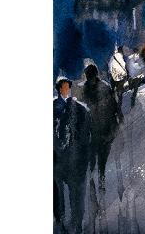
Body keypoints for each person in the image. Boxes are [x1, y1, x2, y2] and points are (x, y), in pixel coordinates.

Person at [53, 75, 91, 233]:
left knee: (75, 193)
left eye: (68, 87)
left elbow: (86, 133)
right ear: (58, 89)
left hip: (73, 159)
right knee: (57, 193)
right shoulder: (53, 108)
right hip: (56, 159)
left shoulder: (79, 108)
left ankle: (77, 223)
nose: (66, 90)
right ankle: (60, 220)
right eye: (63, 87)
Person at [80, 64, 121, 190]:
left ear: (94, 75)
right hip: (94, 130)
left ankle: (101, 183)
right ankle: (95, 183)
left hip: (105, 129)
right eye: (88, 76)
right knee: (93, 160)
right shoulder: (87, 89)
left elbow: (114, 106)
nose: (89, 78)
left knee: (101, 160)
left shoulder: (103, 87)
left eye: (90, 76)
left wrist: (118, 119)